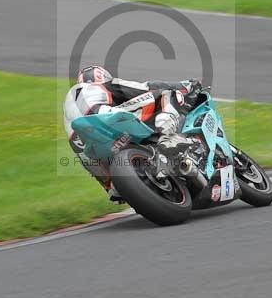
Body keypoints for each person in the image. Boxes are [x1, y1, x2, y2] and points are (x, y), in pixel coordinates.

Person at [63, 65, 201, 202]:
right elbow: (145, 87)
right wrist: (184, 86)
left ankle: (113, 186)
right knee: (165, 94)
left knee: (88, 157)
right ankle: (167, 137)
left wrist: (110, 184)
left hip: (87, 142)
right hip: (109, 119)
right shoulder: (104, 85)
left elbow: (86, 158)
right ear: (101, 76)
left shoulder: (73, 110)